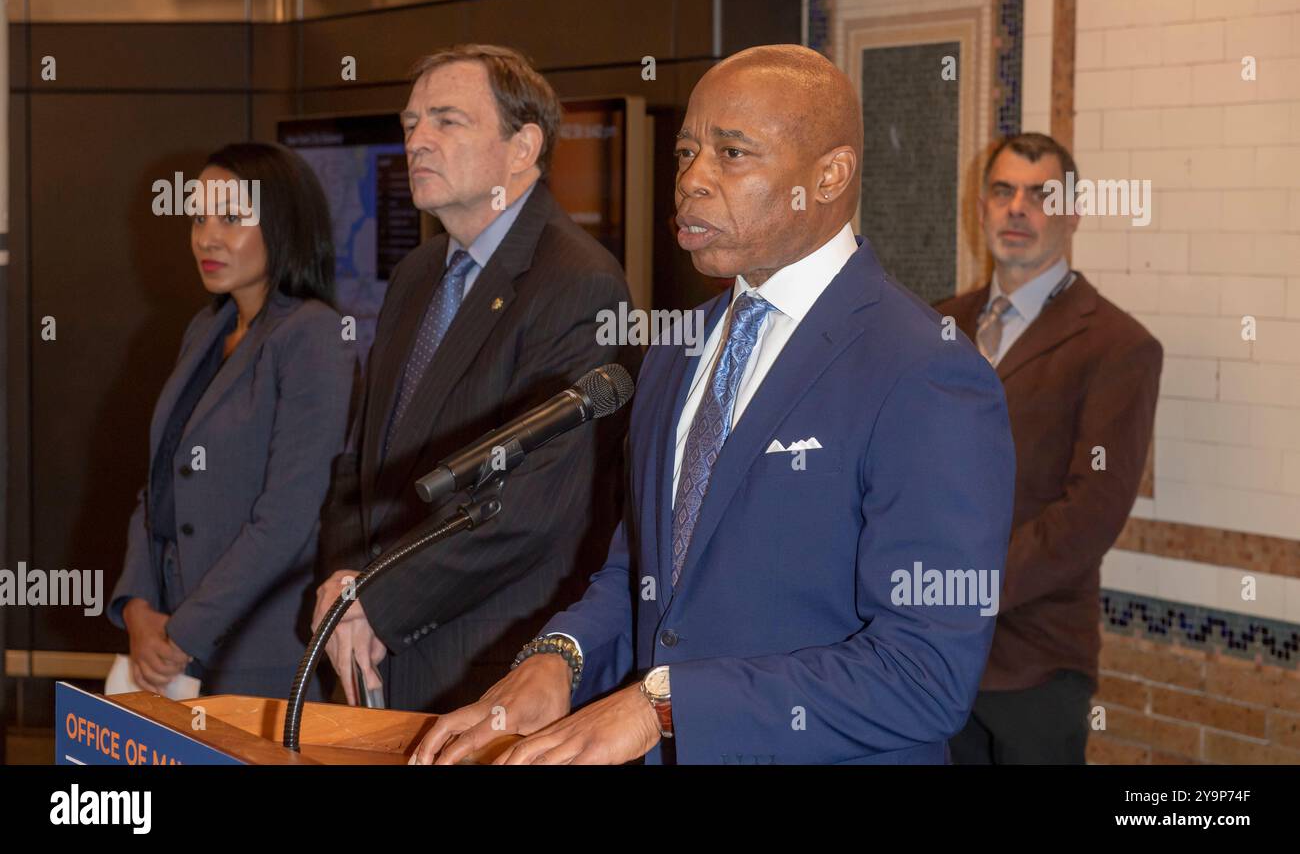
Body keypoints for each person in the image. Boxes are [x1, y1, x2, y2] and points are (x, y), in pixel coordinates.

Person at [410, 44, 1014, 765]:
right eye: (686, 153)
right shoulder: (678, 345)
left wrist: (663, 706)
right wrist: (560, 659)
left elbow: (924, 676)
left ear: (829, 176)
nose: (692, 181)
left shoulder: (926, 371)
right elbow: (640, 570)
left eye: (731, 153)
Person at [313, 44, 637, 712]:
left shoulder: (579, 281)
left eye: (446, 121)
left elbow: (540, 509)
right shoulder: (416, 273)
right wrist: (345, 584)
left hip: (480, 664)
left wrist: (378, 602)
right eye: (410, 124)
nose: (417, 142)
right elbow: (362, 462)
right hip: (374, 652)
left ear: (522, 147)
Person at [938, 132, 1162, 764]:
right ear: (979, 206)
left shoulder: (1118, 347)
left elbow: (1090, 514)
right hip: (930, 656)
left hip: (1036, 666)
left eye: (1041, 195)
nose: (1018, 209)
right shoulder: (937, 327)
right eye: (1003, 191)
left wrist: (963, 589)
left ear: (1073, 213)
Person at [108, 142, 354, 699]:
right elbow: (160, 485)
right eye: (198, 217)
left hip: (255, 653)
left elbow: (288, 519)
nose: (206, 237)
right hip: (168, 640)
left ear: (282, 223)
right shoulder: (206, 329)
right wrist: (138, 609)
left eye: (232, 218)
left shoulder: (311, 335)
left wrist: (184, 632)